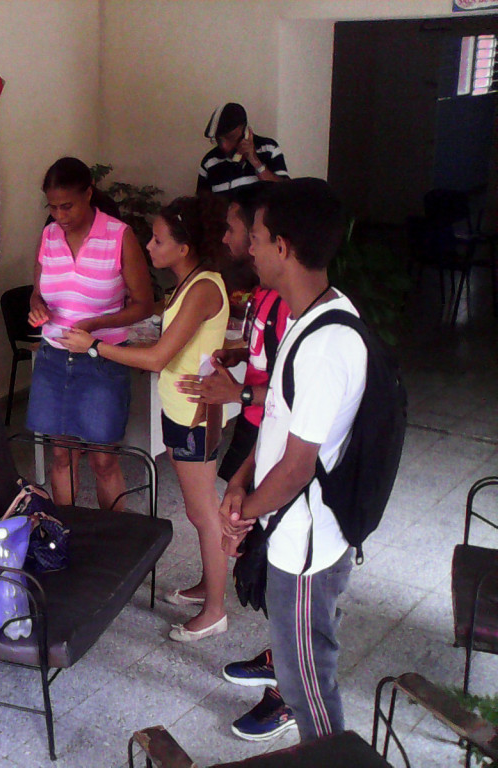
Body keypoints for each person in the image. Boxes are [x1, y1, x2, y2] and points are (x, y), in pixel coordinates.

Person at [220, 178, 365, 743]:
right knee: (297, 661)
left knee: (307, 685)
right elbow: (284, 420)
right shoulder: (307, 317)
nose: (248, 248)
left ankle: (328, 759)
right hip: (289, 523)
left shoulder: (329, 343)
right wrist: (241, 474)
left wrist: (243, 514)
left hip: (306, 546)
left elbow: (301, 465)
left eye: (254, 236)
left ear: (282, 246)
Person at [63, 195, 229, 641]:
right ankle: (206, 587)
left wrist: (94, 347)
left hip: (195, 417)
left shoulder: (204, 288)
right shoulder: (189, 283)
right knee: (200, 510)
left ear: (184, 245)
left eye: (157, 240)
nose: (149, 247)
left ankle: (215, 610)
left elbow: (158, 358)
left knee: (202, 512)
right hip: (180, 411)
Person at [174, 190, 295, 739]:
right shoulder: (266, 297)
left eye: (237, 229)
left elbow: (290, 402)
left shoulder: (299, 310)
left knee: (275, 556)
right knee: (260, 552)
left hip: (280, 453)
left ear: (271, 240)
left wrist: (238, 394)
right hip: (257, 441)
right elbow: (267, 372)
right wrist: (239, 360)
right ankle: (281, 656)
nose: (226, 238)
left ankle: (292, 691)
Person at [26, 157, 154, 510]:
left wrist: (95, 325)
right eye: (52, 207)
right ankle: (64, 534)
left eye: (67, 205)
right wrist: (37, 305)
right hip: (53, 358)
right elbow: (38, 290)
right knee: (62, 457)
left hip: (101, 359)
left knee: (103, 460)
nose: (59, 216)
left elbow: (144, 304)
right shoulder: (49, 236)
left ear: (89, 194)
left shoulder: (119, 236)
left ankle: (113, 542)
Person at [197, 103, 288, 198]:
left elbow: (286, 193)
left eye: (230, 138)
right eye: (218, 140)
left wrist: (256, 162)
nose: (224, 146)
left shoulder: (268, 148)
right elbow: (201, 206)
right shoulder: (209, 162)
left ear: (245, 132)